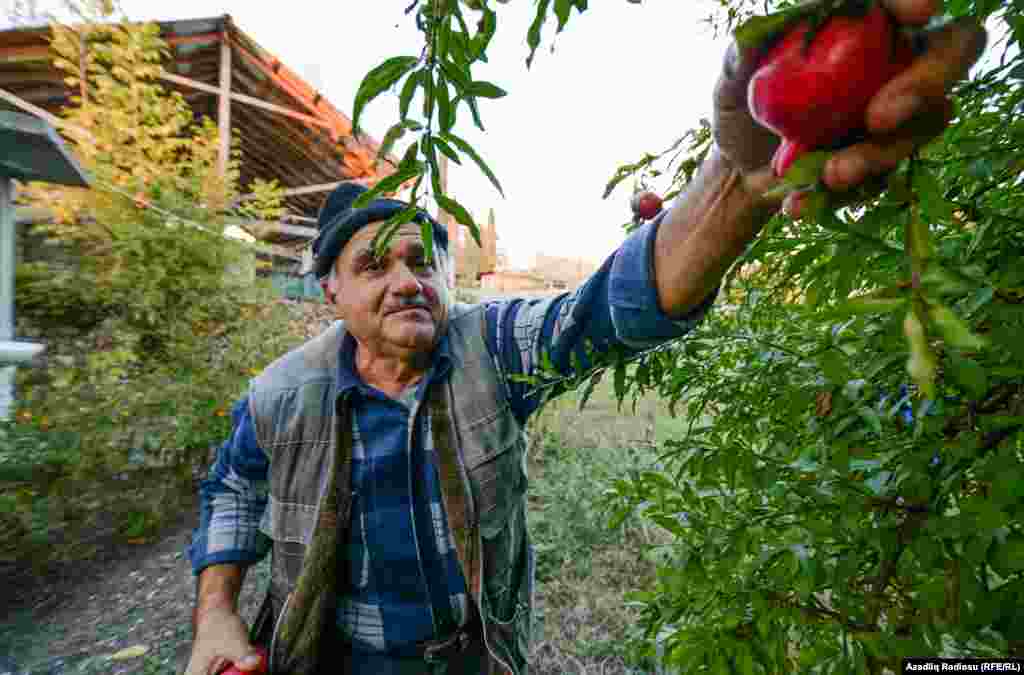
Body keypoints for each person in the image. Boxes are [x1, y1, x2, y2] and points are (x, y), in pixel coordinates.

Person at [184, 2, 986, 673]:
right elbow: (233, 491)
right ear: (331, 289)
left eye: (420, 258)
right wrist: (216, 611)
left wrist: (741, 183)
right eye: (373, 264)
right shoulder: (283, 391)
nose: (406, 279)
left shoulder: (484, 351)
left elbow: (603, 311)